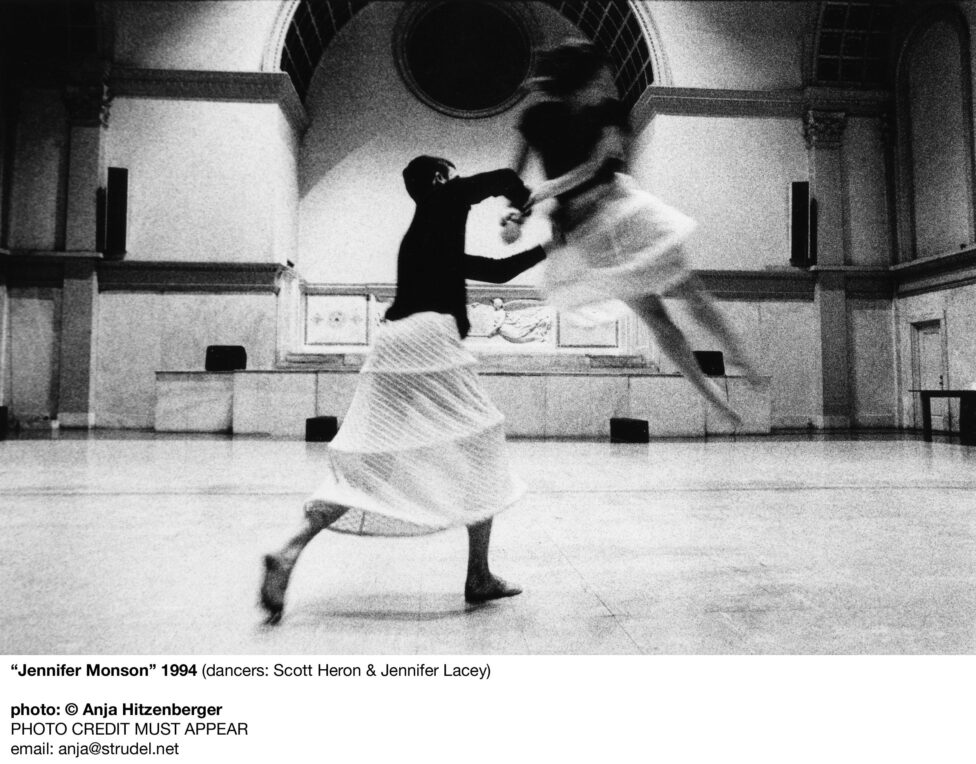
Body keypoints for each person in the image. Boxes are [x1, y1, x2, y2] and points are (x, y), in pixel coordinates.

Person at [259, 156, 545, 625]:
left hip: (392, 344)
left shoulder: (424, 237)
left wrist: (548, 246)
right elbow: (500, 180)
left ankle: (289, 551)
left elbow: (495, 272)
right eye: (453, 175)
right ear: (438, 179)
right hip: (431, 337)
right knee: (481, 445)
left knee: (372, 459)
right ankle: (478, 576)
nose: (458, 183)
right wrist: (522, 204)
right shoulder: (443, 200)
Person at [508, 40, 761, 424]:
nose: (608, 82)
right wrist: (515, 214)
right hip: (588, 232)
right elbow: (517, 177)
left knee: (690, 289)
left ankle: (738, 353)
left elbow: (596, 166)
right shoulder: (537, 118)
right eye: (600, 76)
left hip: (620, 210)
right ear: (584, 78)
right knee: (656, 317)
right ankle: (709, 392)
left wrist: (541, 193)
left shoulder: (609, 112)